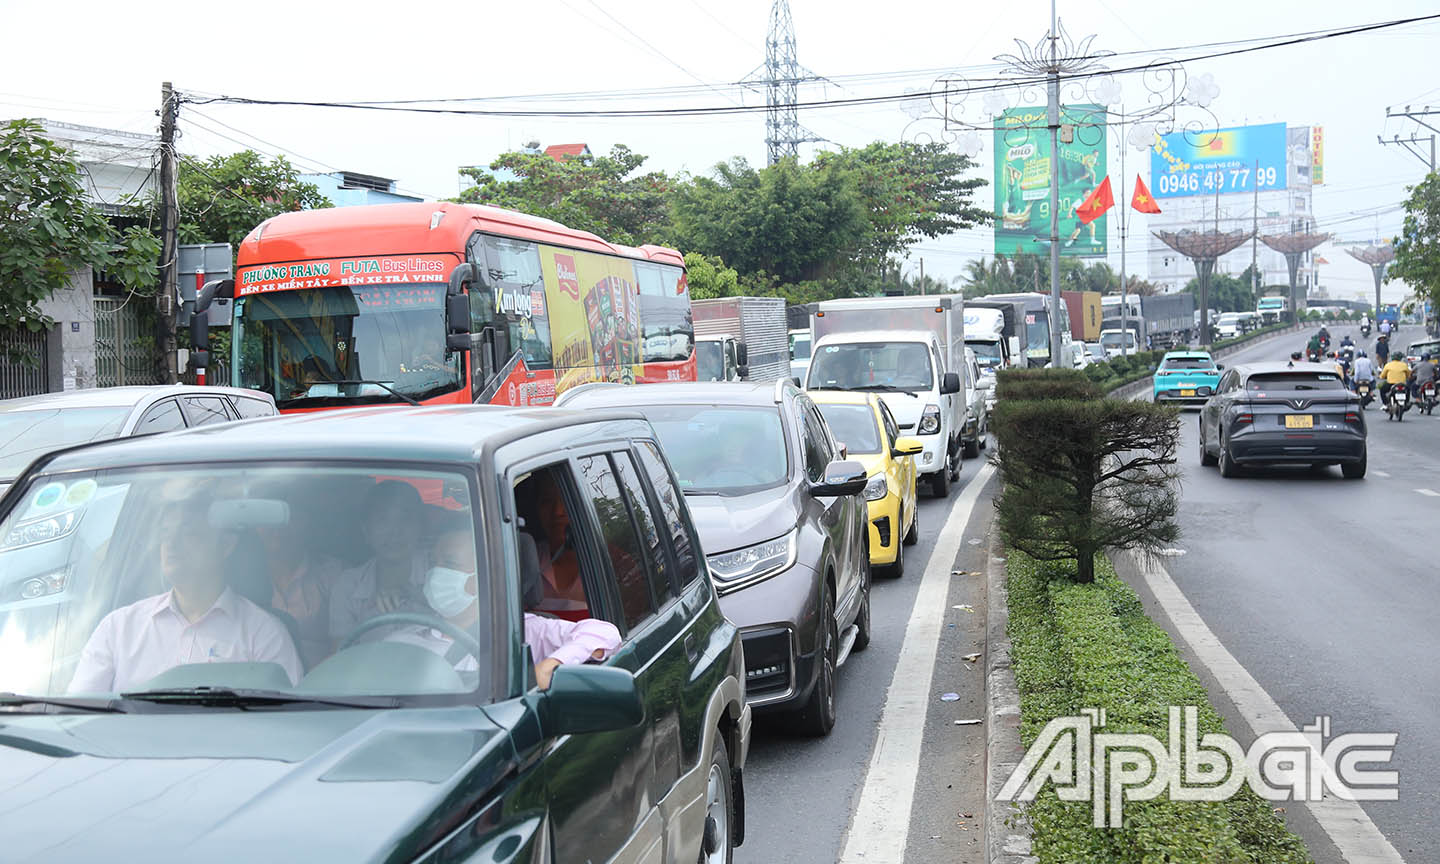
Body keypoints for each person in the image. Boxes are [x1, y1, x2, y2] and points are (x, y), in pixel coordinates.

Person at [69, 501, 303, 693]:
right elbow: (76, 720)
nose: (171, 543)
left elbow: (289, 724)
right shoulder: (118, 628)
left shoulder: (264, 635)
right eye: (166, 533)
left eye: (188, 532)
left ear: (226, 545)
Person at [399, 527, 620, 689]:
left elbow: (605, 634)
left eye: (449, 564)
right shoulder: (402, 634)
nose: (436, 573)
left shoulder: (520, 631)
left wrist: (549, 666)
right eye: (433, 563)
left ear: (483, 577)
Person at [329, 481, 431, 646]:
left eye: (405, 519)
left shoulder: (441, 572)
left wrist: (416, 596)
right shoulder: (348, 585)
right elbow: (341, 655)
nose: (395, 532)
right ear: (366, 531)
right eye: (383, 520)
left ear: (420, 527)